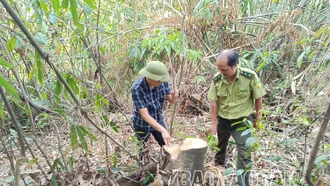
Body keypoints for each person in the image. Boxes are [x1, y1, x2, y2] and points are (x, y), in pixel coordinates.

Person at [207, 50, 266, 186]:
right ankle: (219, 160)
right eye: (219, 69)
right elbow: (214, 101)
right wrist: (213, 123)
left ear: (235, 65)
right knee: (220, 144)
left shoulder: (250, 77)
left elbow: (258, 98)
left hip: (242, 122)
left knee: (245, 153)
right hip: (223, 120)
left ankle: (243, 182)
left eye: (225, 69)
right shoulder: (217, 78)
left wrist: (259, 119)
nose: (221, 72)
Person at [131, 61, 178, 161]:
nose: (160, 83)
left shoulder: (162, 82)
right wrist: (163, 130)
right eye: (158, 81)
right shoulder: (137, 89)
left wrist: (174, 97)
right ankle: (143, 167)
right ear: (149, 77)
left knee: (166, 145)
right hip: (142, 123)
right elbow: (145, 115)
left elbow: (171, 100)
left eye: (162, 80)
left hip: (158, 119)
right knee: (142, 149)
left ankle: (169, 165)